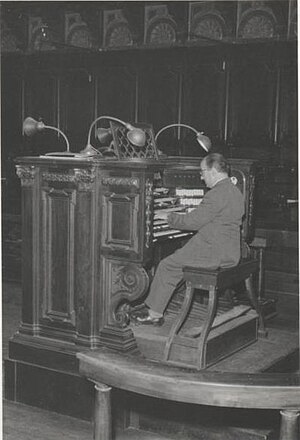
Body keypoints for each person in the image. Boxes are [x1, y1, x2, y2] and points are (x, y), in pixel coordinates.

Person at [131, 153, 245, 325]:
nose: (201, 176)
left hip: (214, 253)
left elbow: (192, 222)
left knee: (167, 265)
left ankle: (154, 315)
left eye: (202, 171)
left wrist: (167, 216)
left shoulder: (216, 194)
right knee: (179, 255)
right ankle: (165, 301)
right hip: (229, 251)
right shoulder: (234, 191)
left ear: (213, 171)